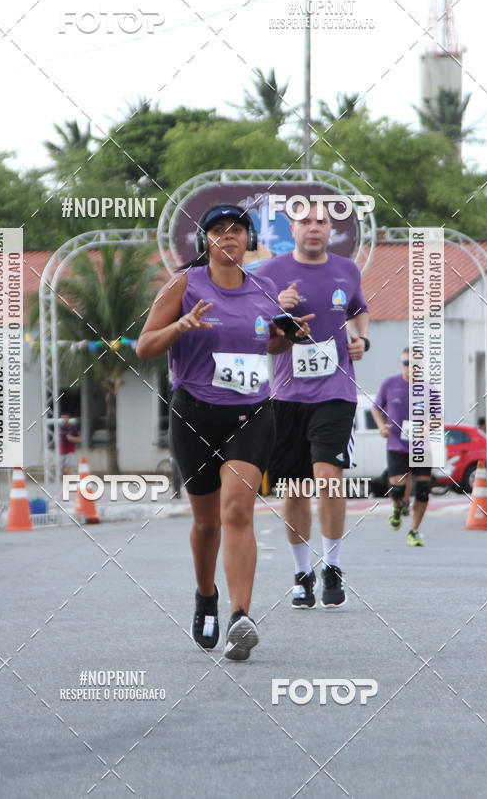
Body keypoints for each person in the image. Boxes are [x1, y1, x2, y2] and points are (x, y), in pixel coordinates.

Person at [136, 204, 312, 660]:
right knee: (206, 523)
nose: (228, 237)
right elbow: (143, 347)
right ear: (205, 242)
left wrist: (288, 336)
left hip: (251, 412)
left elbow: (267, 342)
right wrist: (181, 324)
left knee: (237, 510)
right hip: (194, 413)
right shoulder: (184, 284)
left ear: (248, 241)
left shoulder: (264, 287)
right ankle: (205, 596)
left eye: (237, 231)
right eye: (218, 231)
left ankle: (240, 617)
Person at [259, 202, 369, 609]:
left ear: (331, 228)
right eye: (305, 221)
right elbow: (256, 329)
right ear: (292, 228)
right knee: (297, 487)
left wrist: (362, 340)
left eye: (321, 221)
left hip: (336, 392)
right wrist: (277, 309)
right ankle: (301, 573)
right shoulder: (268, 273)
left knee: (328, 476)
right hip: (287, 395)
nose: (314, 227)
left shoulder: (347, 269)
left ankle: (334, 565)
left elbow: (360, 310)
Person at [371, 348, 434, 546]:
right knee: (397, 489)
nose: (410, 368)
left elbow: (437, 416)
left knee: (423, 489)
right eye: (406, 363)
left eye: (415, 364)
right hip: (397, 444)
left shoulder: (429, 388)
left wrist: (428, 427)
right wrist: (381, 427)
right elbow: (376, 408)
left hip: (422, 446)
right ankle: (398, 508)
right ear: (402, 364)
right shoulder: (389, 384)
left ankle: (414, 531)